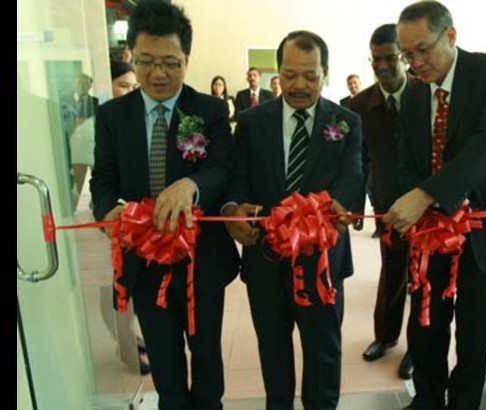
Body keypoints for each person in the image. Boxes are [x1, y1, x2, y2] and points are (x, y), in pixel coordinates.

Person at [90, 1, 239, 408]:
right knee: (165, 364)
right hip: (145, 261)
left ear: (187, 59)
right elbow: (102, 178)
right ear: (130, 57)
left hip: (201, 260)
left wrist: (190, 184)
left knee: (207, 358)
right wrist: (107, 213)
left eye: (171, 62)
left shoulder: (208, 110)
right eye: (147, 61)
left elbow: (222, 168)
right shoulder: (112, 116)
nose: (158, 73)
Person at [383, 2, 486, 409]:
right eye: (407, 54)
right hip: (430, 233)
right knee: (426, 323)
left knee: (474, 330)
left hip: (482, 228)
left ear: (451, 35)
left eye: (423, 50)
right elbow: (406, 159)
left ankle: (463, 403)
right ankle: (426, 399)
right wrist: (414, 204)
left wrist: (426, 194)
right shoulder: (412, 95)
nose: (415, 62)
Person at [222, 30, 362, 410]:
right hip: (266, 256)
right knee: (273, 349)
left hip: (322, 258)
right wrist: (232, 209)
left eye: (310, 75)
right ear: (277, 73)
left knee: (323, 351)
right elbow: (238, 176)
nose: (299, 85)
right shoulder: (252, 122)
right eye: (290, 74)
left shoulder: (346, 121)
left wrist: (339, 204)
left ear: (325, 72)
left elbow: (353, 174)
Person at [348, 23, 416, 380]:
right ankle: (385, 337)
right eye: (376, 59)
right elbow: (358, 159)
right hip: (388, 206)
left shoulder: (425, 94)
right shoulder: (361, 104)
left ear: (403, 58)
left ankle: (417, 348)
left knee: (424, 278)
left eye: (390, 58)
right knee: (392, 272)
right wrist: (357, 204)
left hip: (429, 209)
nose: (383, 66)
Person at [70, 60, 139, 208]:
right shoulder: (87, 132)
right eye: (123, 86)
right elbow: (83, 189)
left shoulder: (141, 125)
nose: (132, 92)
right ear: (104, 87)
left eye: (136, 87)